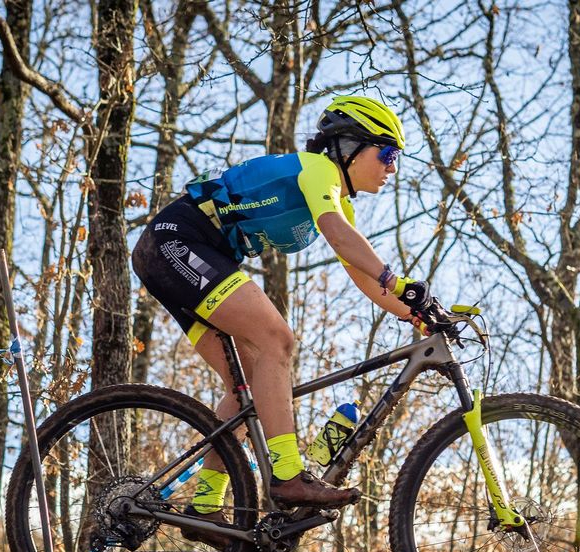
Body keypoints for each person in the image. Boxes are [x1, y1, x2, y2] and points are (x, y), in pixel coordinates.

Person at [131, 95, 439, 528]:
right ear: (349, 147)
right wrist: (398, 281)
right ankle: (288, 474)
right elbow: (340, 238)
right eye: (387, 154)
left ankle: (204, 504)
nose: (392, 168)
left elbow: (364, 279)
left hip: (181, 255)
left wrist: (420, 315)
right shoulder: (318, 171)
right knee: (278, 339)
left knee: (253, 383)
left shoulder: (335, 197)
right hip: (177, 242)